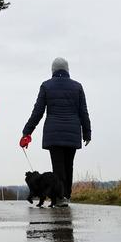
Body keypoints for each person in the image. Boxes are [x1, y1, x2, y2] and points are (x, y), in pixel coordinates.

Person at [20, 57, 91, 207]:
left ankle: (60, 196)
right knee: (68, 165)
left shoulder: (46, 86)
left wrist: (27, 132)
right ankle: (66, 195)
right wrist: (87, 132)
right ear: (67, 70)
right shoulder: (77, 87)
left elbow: (37, 112)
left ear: (53, 70)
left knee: (58, 166)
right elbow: (83, 112)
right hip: (72, 132)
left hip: (54, 133)